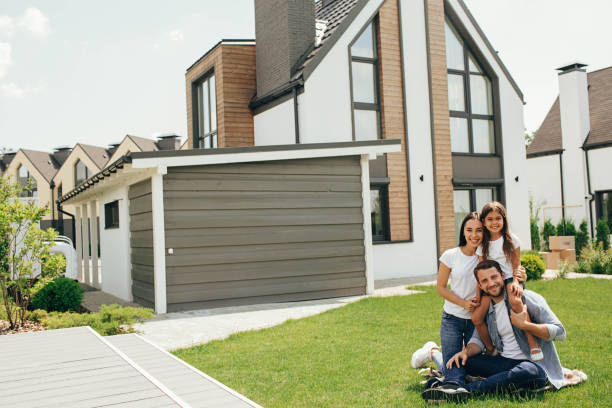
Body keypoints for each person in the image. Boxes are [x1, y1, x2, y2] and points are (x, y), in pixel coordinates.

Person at [421, 260, 566, 402]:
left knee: (527, 372)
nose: (490, 283)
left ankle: (465, 390)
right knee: (458, 361)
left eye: (494, 277)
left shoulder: (526, 298)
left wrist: (526, 325)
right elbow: (477, 340)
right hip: (504, 363)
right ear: (480, 285)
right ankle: (449, 380)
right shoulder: (487, 309)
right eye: (484, 281)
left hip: (534, 367)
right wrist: (465, 352)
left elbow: (560, 332)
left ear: (503, 276)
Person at [410, 213, 482, 385]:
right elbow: (440, 288)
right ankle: (433, 352)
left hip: (477, 320)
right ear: (463, 232)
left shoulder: (485, 256)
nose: (474, 235)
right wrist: (464, 303)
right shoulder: (451, 255)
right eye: (469, 230)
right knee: (454, 374)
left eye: (479, 230)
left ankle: (434, 353)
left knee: (471, 367)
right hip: (452, 318)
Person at [472, 202, 543, 361]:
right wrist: (478, 295)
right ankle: (491, 349)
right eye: (490, 219)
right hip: (490, 283)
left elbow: (517, 265)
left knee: (514, 299)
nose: (494, 222)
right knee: (476, 317)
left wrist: (517, 283)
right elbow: (480, 272)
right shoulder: (482, 245)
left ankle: (532, 343)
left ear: (504, 220)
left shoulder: (510, 240)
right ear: (483, 221)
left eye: (498, 218)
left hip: (510, 278)